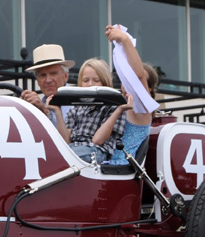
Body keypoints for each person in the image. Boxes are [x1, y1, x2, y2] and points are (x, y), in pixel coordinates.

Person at [99, 25, 158, 167]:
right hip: (102, 164)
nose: (128, 84)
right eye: (126, 77)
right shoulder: (114, 105)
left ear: (147, 89)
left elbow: (138, 76)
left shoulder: (142, 110)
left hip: (121, 170)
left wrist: (125, 40)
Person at [64, 58, 126, 163]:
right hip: (73, 148)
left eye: (96, 80)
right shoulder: (76, 108)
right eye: (85, 80)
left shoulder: (113, 107)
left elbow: (97, 140)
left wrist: (119, 110)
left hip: (96, 151)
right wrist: (56, 109)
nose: (90, 84)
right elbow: (65, 140)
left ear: (105, 82)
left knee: (62, 158)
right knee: (55, 154)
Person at [20, 43, 75, 141]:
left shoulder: (78, 101)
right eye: (42, 75)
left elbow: (67, 142)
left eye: (53, 73)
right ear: (37, 80)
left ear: (65, 76)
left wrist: (45, 112)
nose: (48, 80)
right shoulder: (38, 104)